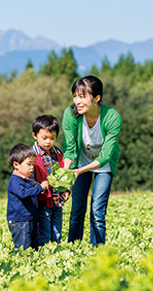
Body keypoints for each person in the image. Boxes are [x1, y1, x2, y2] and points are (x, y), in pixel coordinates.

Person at [62, 75, 122, 246]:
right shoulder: (70, 114)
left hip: (103, 165)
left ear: (96, 98)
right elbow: (70, 150)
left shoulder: (112, 117)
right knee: (76, 211)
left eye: (82, 97)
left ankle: (97, 254)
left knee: (97, 211)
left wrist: (79, 172)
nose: (77, 101)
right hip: (79, 162)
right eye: (75, 96)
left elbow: (105, 157)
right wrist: (66, 176)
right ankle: (72, 251)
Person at [31, 115, 70, 246]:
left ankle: (56, 253)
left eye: (52, 138)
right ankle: (44, 256)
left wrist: (66, 189)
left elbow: (64, 174)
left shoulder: (58, 153)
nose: (48, 142)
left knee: (57, 231)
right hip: (42, 200)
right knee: (45, 232)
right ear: (35, 136)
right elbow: (28, 178)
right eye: (44, 138)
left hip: (57, 200)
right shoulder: (31, 155)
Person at [6, 143, 49, 250]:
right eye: (29, 164)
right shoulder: (15, 181)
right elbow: (24, 193)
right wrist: (39, 188)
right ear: (16, 165)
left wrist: (39, 187)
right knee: (23, 248)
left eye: (33, 164)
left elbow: (32, 188)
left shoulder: (26, 179)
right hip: (19, 221)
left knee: (34, 247)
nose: (32, 168)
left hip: (30, 218)